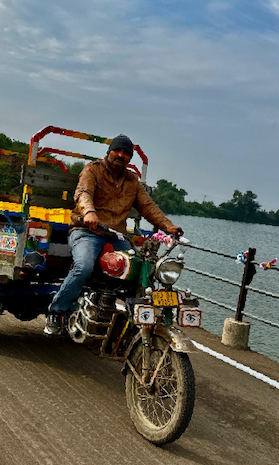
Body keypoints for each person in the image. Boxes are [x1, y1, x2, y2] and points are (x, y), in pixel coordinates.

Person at [45, 135, 182, 335]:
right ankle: (55, 312)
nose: (121, 155)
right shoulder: (92, 170)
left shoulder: (132, 180)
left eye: (126, 153)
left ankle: (137, 319)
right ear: (109, 152)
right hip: (86, 232)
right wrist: (89, 212)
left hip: (117, 236)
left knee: (142, 270)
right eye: (117, 150)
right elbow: (83, 193)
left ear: (130, 158)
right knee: (83, 267)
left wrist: (168, 226)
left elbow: (148, 206)